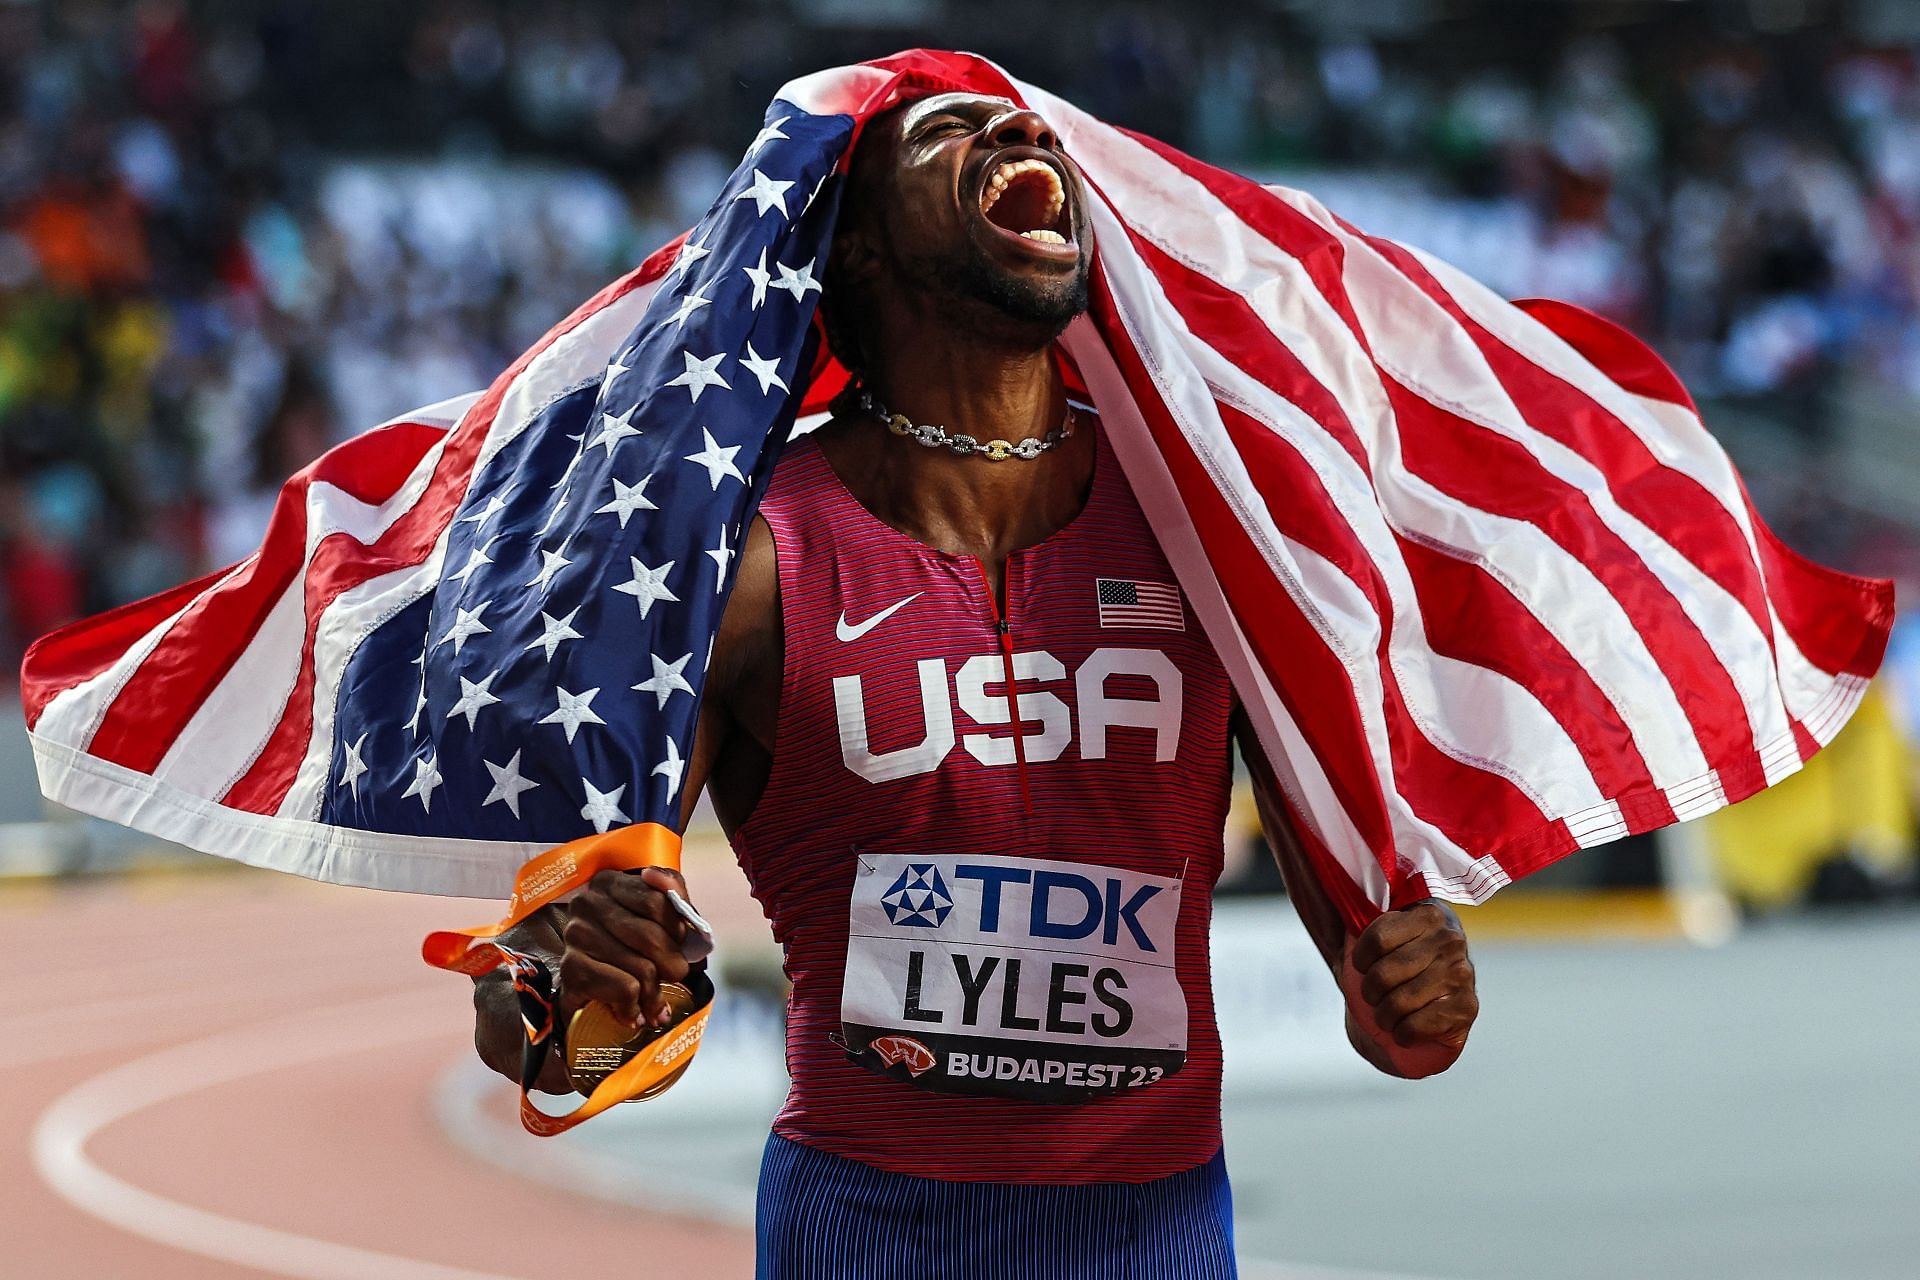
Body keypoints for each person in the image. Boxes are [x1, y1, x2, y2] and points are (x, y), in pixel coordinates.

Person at [472, 92, 1479, 1279]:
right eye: (951, 131)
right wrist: (572, 994)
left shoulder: (1208, 525)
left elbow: (1388, 1012)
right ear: (856, 242)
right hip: (865, 1232)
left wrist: (1420, 996)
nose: (1024, 138)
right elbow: (554, 1047)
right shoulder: (749, 565)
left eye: (1037, 132)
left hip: (1153, 1236)